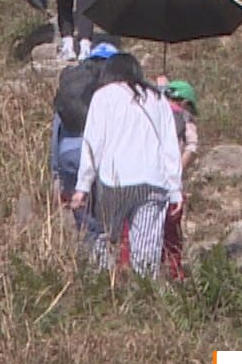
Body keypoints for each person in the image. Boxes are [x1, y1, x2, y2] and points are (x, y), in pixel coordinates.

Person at [72, 52, 184, 279]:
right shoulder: (158, 98)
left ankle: (103, 287)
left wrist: (82, 186)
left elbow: (93, 143)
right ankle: (144, 298)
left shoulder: (103, 96)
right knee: (146, 250)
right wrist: (175, 190)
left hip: (114, 179)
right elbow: (170, 147)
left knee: (104, 236)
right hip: (153, 181)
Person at [51, 42, 122, 233]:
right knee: (107, 219)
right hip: (100, 157)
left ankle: (90, 255)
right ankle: (105, 255)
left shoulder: (71, 89)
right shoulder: (115, 90)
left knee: (85, 221)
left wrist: (56, 172)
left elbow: (56, 129)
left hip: (70, 154)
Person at [157, 78, 202, 279]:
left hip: (143, 178)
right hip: (171, 183)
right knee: (171, 233)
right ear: (185, 102)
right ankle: (173, 273)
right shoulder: (184, 118)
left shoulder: (151, 109)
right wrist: (178, 169)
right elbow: (192, 147)